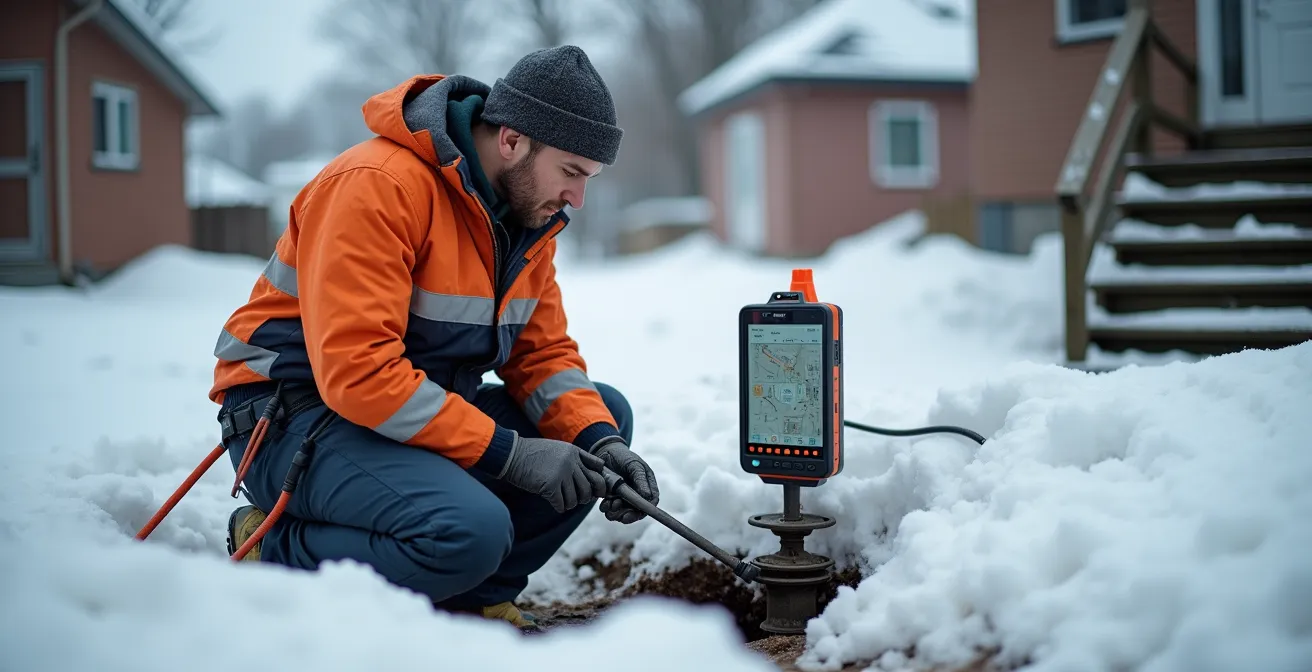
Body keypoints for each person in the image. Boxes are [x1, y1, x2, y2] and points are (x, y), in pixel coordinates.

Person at [208, 45, 660, 632]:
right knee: (467, 531)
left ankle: (478, 600)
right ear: (512, 140)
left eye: (589, 179)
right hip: (294, 415)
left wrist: (601, 442)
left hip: (406, 412)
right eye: (571, 172)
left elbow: (542, 354)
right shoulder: (377, 186)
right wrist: (511, 454)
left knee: (605, 415)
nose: (577, 198)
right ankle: (274, 548)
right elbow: (358, 372)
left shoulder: (527, 218)